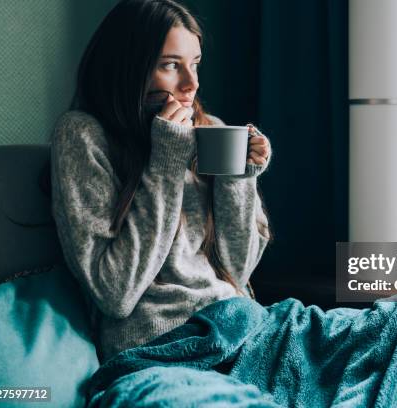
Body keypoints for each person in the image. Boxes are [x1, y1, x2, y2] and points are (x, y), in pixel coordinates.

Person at [50, 0, 271, 363]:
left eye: (195, 64)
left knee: (392, 331)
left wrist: (239, 178)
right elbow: (115, 293)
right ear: (129, 66)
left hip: (242, 326)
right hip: (166, 343)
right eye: (170, 65)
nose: (191, 84)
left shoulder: (208, 129)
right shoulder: (83, 135)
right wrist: (167, 159)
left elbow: (237, 272)